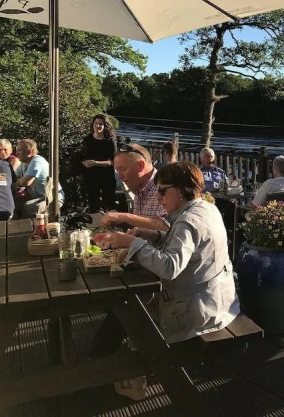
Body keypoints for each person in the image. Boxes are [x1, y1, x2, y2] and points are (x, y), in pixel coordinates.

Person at [92, 161, 240, 400]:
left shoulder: (187, 222)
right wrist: (153, 235)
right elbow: (188, 249)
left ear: (181, 190)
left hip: (197, 310)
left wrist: (133, 243)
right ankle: (105, 366)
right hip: (216, 298)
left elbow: (170, 267)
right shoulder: (205, 208)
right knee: (126, 312)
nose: (159, 196)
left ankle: (105, 376)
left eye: (162, 191)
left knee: (127, 315)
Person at [100, 143, 168, 231]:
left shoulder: (165, 186)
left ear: (141, 166)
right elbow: (142, 226)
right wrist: (119, 221)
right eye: (117, 170)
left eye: (123, 169)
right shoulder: (139, 186)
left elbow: (167, 227)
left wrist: (125, 217)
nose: (119, 176)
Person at [13, 139, 64, 216]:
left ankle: (39, 223)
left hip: (51, 199)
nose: (16, 153)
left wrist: (17, 182)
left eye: (19, 150)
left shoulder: (37, 161)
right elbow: (13, 177)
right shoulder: (24, 164)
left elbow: (26, 182)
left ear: (29, 152)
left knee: (29, 208)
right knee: (12, 203)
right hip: (37, 197)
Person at [82, 114, 118, 212]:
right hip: (91, 177)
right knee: (93, 205)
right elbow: (82, 156)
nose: (97, 126)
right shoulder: (87, 140)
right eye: (96, 123)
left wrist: (95, 163)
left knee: (109, 204)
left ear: (105, 126)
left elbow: (114, 162)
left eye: (100, 124)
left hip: (107, 177)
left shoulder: (110, 141)